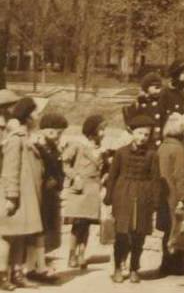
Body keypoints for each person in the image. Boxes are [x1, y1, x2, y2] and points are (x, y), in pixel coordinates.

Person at [105, 114, 160, 283]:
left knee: (139, 235)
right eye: (139, 133)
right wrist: (109, 196)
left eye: (146, 135)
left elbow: (155, 179)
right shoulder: (121, 153)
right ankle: (117, 267)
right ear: (132, 133)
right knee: (121, 234)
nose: (142, 138)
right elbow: (112, 176)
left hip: (143, 196)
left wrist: (155, 200)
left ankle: (134, 268)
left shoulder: (152, 155)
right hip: (123, 195)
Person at [0, 98, 44, 289]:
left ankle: (17, 273)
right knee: (7, 236)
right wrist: (11, 196)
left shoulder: (27, 138)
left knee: (21, 235)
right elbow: (10, 170)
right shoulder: (16, 139)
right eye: (35, 113)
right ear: (27, 116)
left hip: (28, 196)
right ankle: (2, 276)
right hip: (15, 196)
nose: (38, 116)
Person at [62, 114, 109, 270]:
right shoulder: (78, 145)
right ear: (92, 130)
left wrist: (103, 180)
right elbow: (65, 163)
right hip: (79, 188)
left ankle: (82, 254)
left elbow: (106, 170)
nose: (103, 133)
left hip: (93, 189)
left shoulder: (102, 149)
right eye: (101, 129)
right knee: (77, 223)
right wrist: (74, 177)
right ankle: (71, 254)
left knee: (88, 224)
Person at [28, 112, 69, 283]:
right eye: (55, 133)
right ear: (45, 131)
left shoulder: (53, 148)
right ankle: (35, 267)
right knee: (39, 230)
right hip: (42, 194)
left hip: (50, 194)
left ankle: (36, 265)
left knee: (44, 230)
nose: (58, 136)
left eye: (60, 133)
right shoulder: (39, 148)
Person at [156, 113, 184, 278]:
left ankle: (165, 262)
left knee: (167, 230)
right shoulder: (179, 149)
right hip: (174, 194)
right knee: (176, 230)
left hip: (163, 193)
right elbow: (180, 175)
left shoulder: (162, 146)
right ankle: (174, 263)